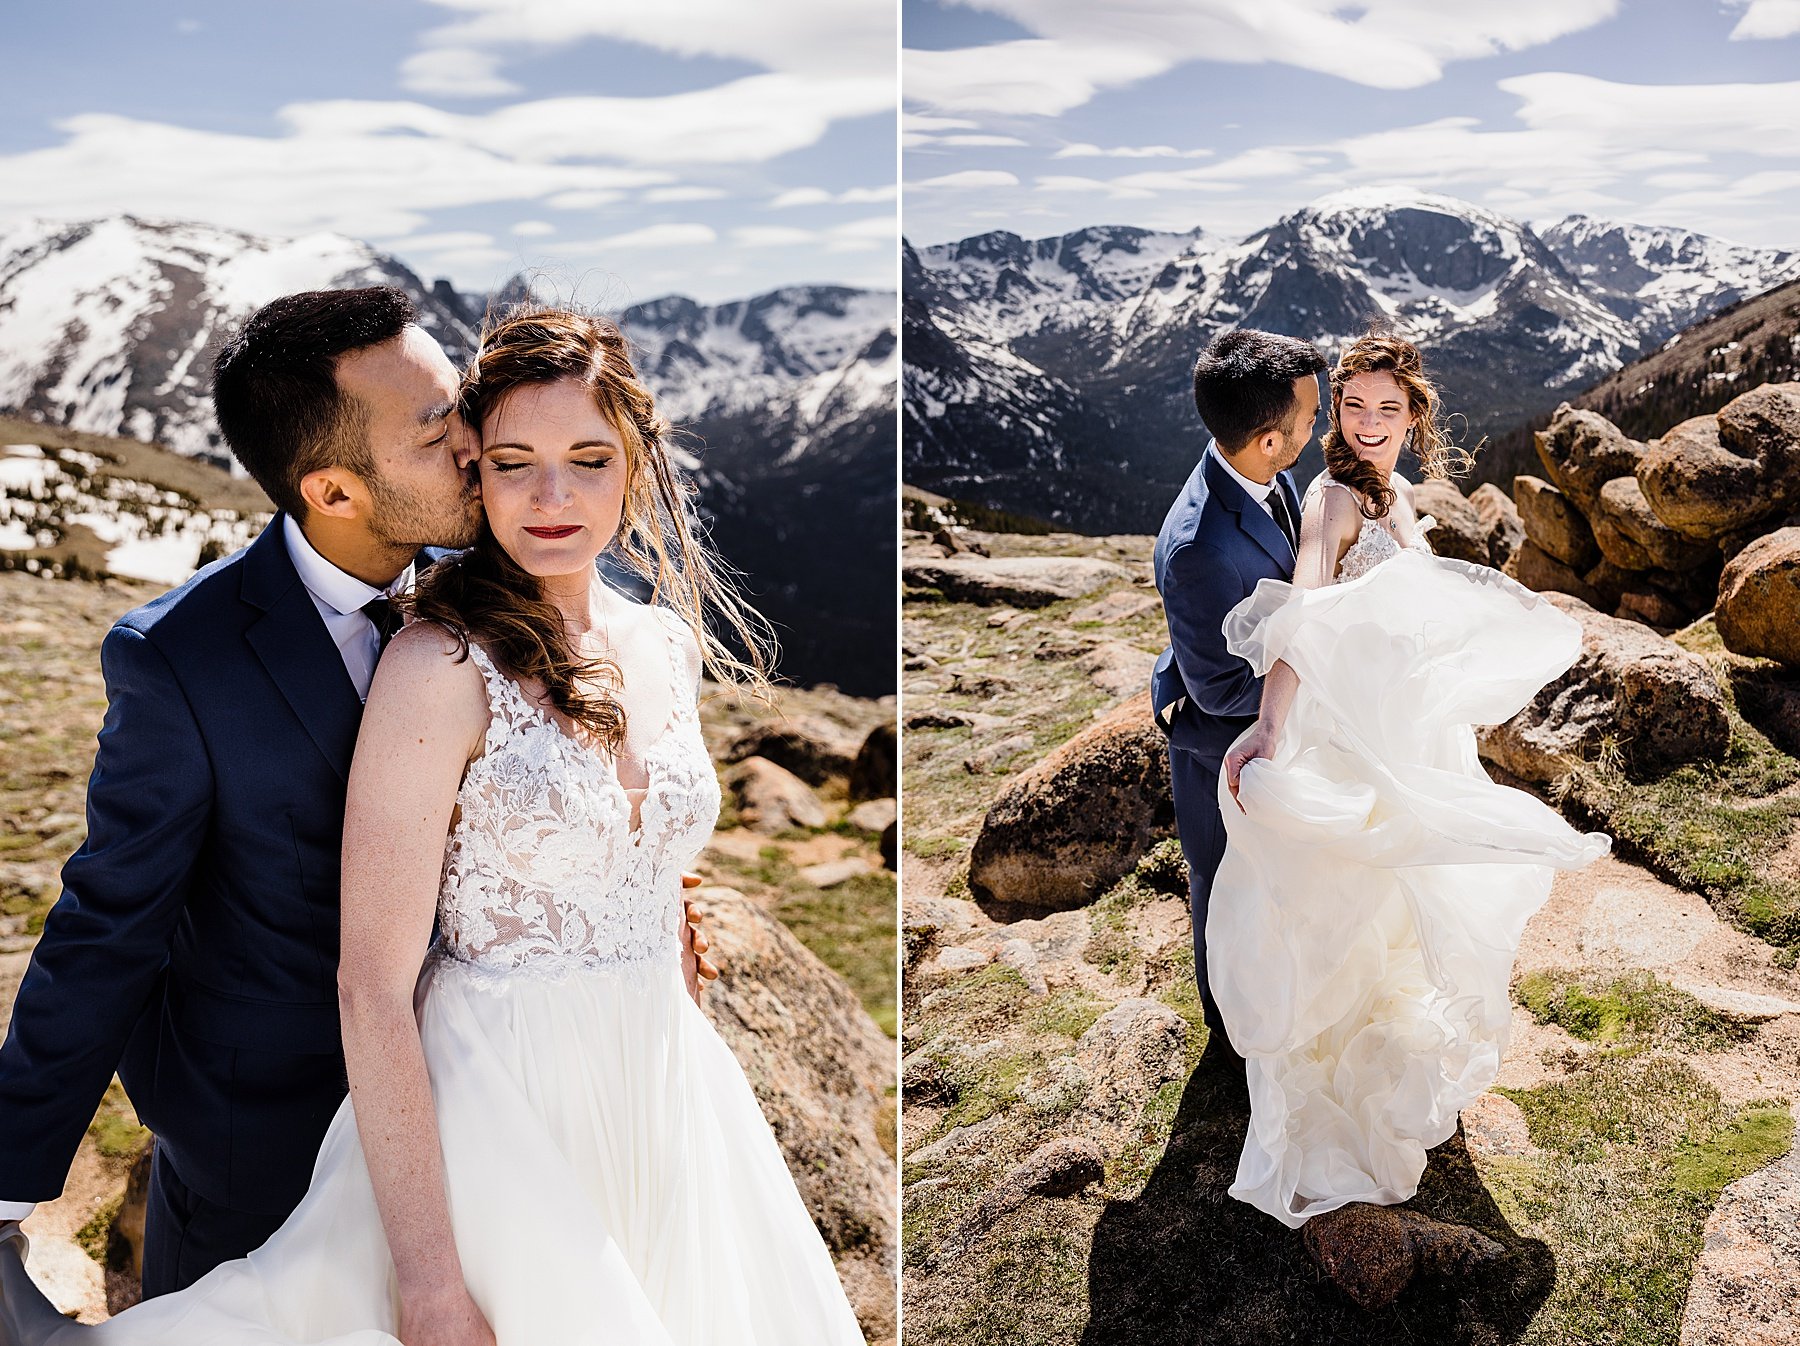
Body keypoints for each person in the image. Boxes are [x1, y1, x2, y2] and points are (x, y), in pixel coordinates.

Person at [3, 303, 866, 1345]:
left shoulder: (580, 597)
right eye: (442, 432)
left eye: (464, 412)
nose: (473, 444)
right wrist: (7, 1190)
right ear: (334, 489)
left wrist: (630, 883)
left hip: (612, 1101)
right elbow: (107, 924)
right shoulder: (189, 659)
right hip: (270, 1144)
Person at [1209, 332, 1609, 1232]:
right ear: (1335, 416)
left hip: (1406, 728)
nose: (1370, 422)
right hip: (1352, 732)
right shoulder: (1333, 501)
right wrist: (1271, 725)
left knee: (1410, 904)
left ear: (1414, 414)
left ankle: (1400, 1059)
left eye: (1389, 408)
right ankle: (1340, 1087)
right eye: (1354, 407)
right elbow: (1307, 609)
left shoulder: (1399, 497)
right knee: (1356, 905)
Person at [1151, 329, 1327, 1046]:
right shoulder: (1199, 546)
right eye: (1310, 419)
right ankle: (1230, 1035)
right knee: (1223, 890)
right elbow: (1221, 687)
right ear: (1267, 441)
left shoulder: (1261, 474)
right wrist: (1314, 660)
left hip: (1277, 719)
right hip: (1221, 745)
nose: (1318, 429)